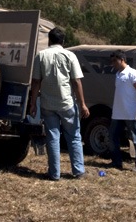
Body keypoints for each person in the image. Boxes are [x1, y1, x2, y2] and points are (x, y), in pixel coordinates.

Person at [28, 27, 90, 181]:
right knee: (74, 136)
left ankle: (54, 173)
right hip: (67, 103)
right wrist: (82, 104)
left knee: (53, 137)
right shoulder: (70, 55)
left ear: (49, 40)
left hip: (48, 103)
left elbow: (36, 81)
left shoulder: (41, 56)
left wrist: (32, 103)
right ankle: (78, 171)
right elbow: (76, 82)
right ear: (63, 41)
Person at [108, 50, 136, 172]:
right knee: (113, 137)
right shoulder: (117, 74)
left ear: (122, 60)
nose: (113, 63)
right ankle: (116, 162)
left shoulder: (132, 73)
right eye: (112, 61)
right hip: (117, 113)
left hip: (130, 113)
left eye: (115, 61)